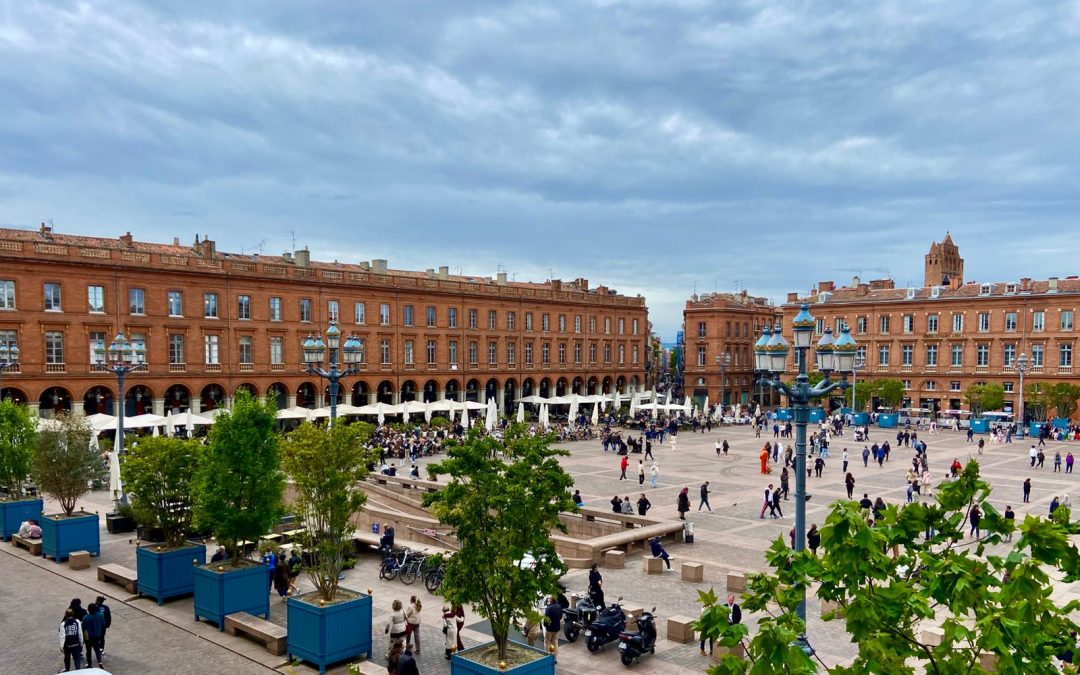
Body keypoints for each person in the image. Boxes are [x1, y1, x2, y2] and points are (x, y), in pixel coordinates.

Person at [81, 602, 106, 668]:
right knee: (97, 649)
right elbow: (103, 624)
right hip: (97, 635)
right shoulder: (100, 615)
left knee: (88, 651)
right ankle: (100, 662)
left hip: (88, 637)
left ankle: (89, 664)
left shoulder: (86, 618)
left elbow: (83, 628)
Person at [543, 595, 562, 662]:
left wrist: (545, 625)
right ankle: (555, 658)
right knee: (554, 643)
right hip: (556, 628)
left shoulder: (548, 608)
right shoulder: (559, 607)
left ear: (551, 600)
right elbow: (560, 617)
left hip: (550, 628)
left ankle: (548, 657)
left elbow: (546, 619)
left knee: (547, 642)